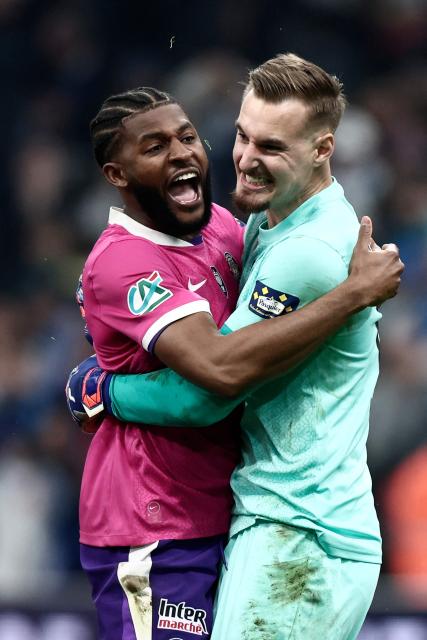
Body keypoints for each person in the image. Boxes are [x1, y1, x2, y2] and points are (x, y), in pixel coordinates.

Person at [68, 69, 402, 640]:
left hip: (296, 528)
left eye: (271, 145)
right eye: (243, 136)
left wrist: (102, 390)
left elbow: (214, 381)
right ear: (116, 175)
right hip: (161, 521)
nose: (243, 157)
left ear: (324, 148)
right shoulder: (233, 232)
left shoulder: (266, 238)